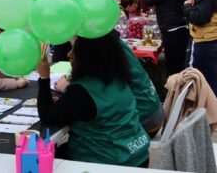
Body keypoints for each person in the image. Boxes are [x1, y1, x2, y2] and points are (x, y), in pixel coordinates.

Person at [36, 33, 150, 167]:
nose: (69, 54)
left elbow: (47, 116)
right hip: (138, 155)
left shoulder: (82, 90)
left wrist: (44, 77)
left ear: (88, 57)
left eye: (75, 50)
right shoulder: (118, 78)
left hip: (107, 162)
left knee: (43, 159)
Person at [143, 0, 190, 75]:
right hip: (181, 28)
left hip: (172, 30)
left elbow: (147, 0)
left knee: (174, 68)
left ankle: (175, 92)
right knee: (178, 65)